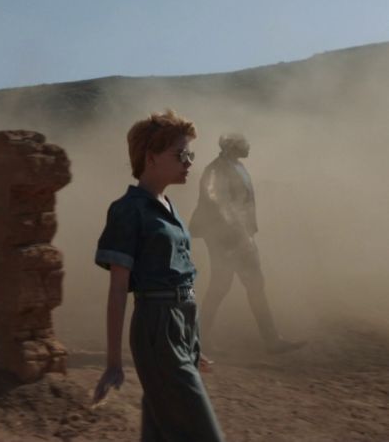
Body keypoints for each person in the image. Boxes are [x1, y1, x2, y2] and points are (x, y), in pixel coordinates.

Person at [93, 110, 224, 441]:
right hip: (156, 328)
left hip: (181, 325)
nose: (189, 161)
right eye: (181, 154)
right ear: (150, 157)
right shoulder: (128, 210)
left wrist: (192, 343)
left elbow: (178, 277)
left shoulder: (169, 207)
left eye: (190, 154)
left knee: (161, 431)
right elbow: (117, 290)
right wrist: (113, 363)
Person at [189, 133, 305, 354]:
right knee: (234, 285)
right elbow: (220, 205)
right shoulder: (218, 169)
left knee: (231, 286)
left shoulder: (232, 166)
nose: (248, 146)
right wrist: (241, 237)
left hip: (235, 236)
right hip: (227, 238)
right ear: (232, 147)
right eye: (243, 143)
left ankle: (201, 337)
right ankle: (270, 340)